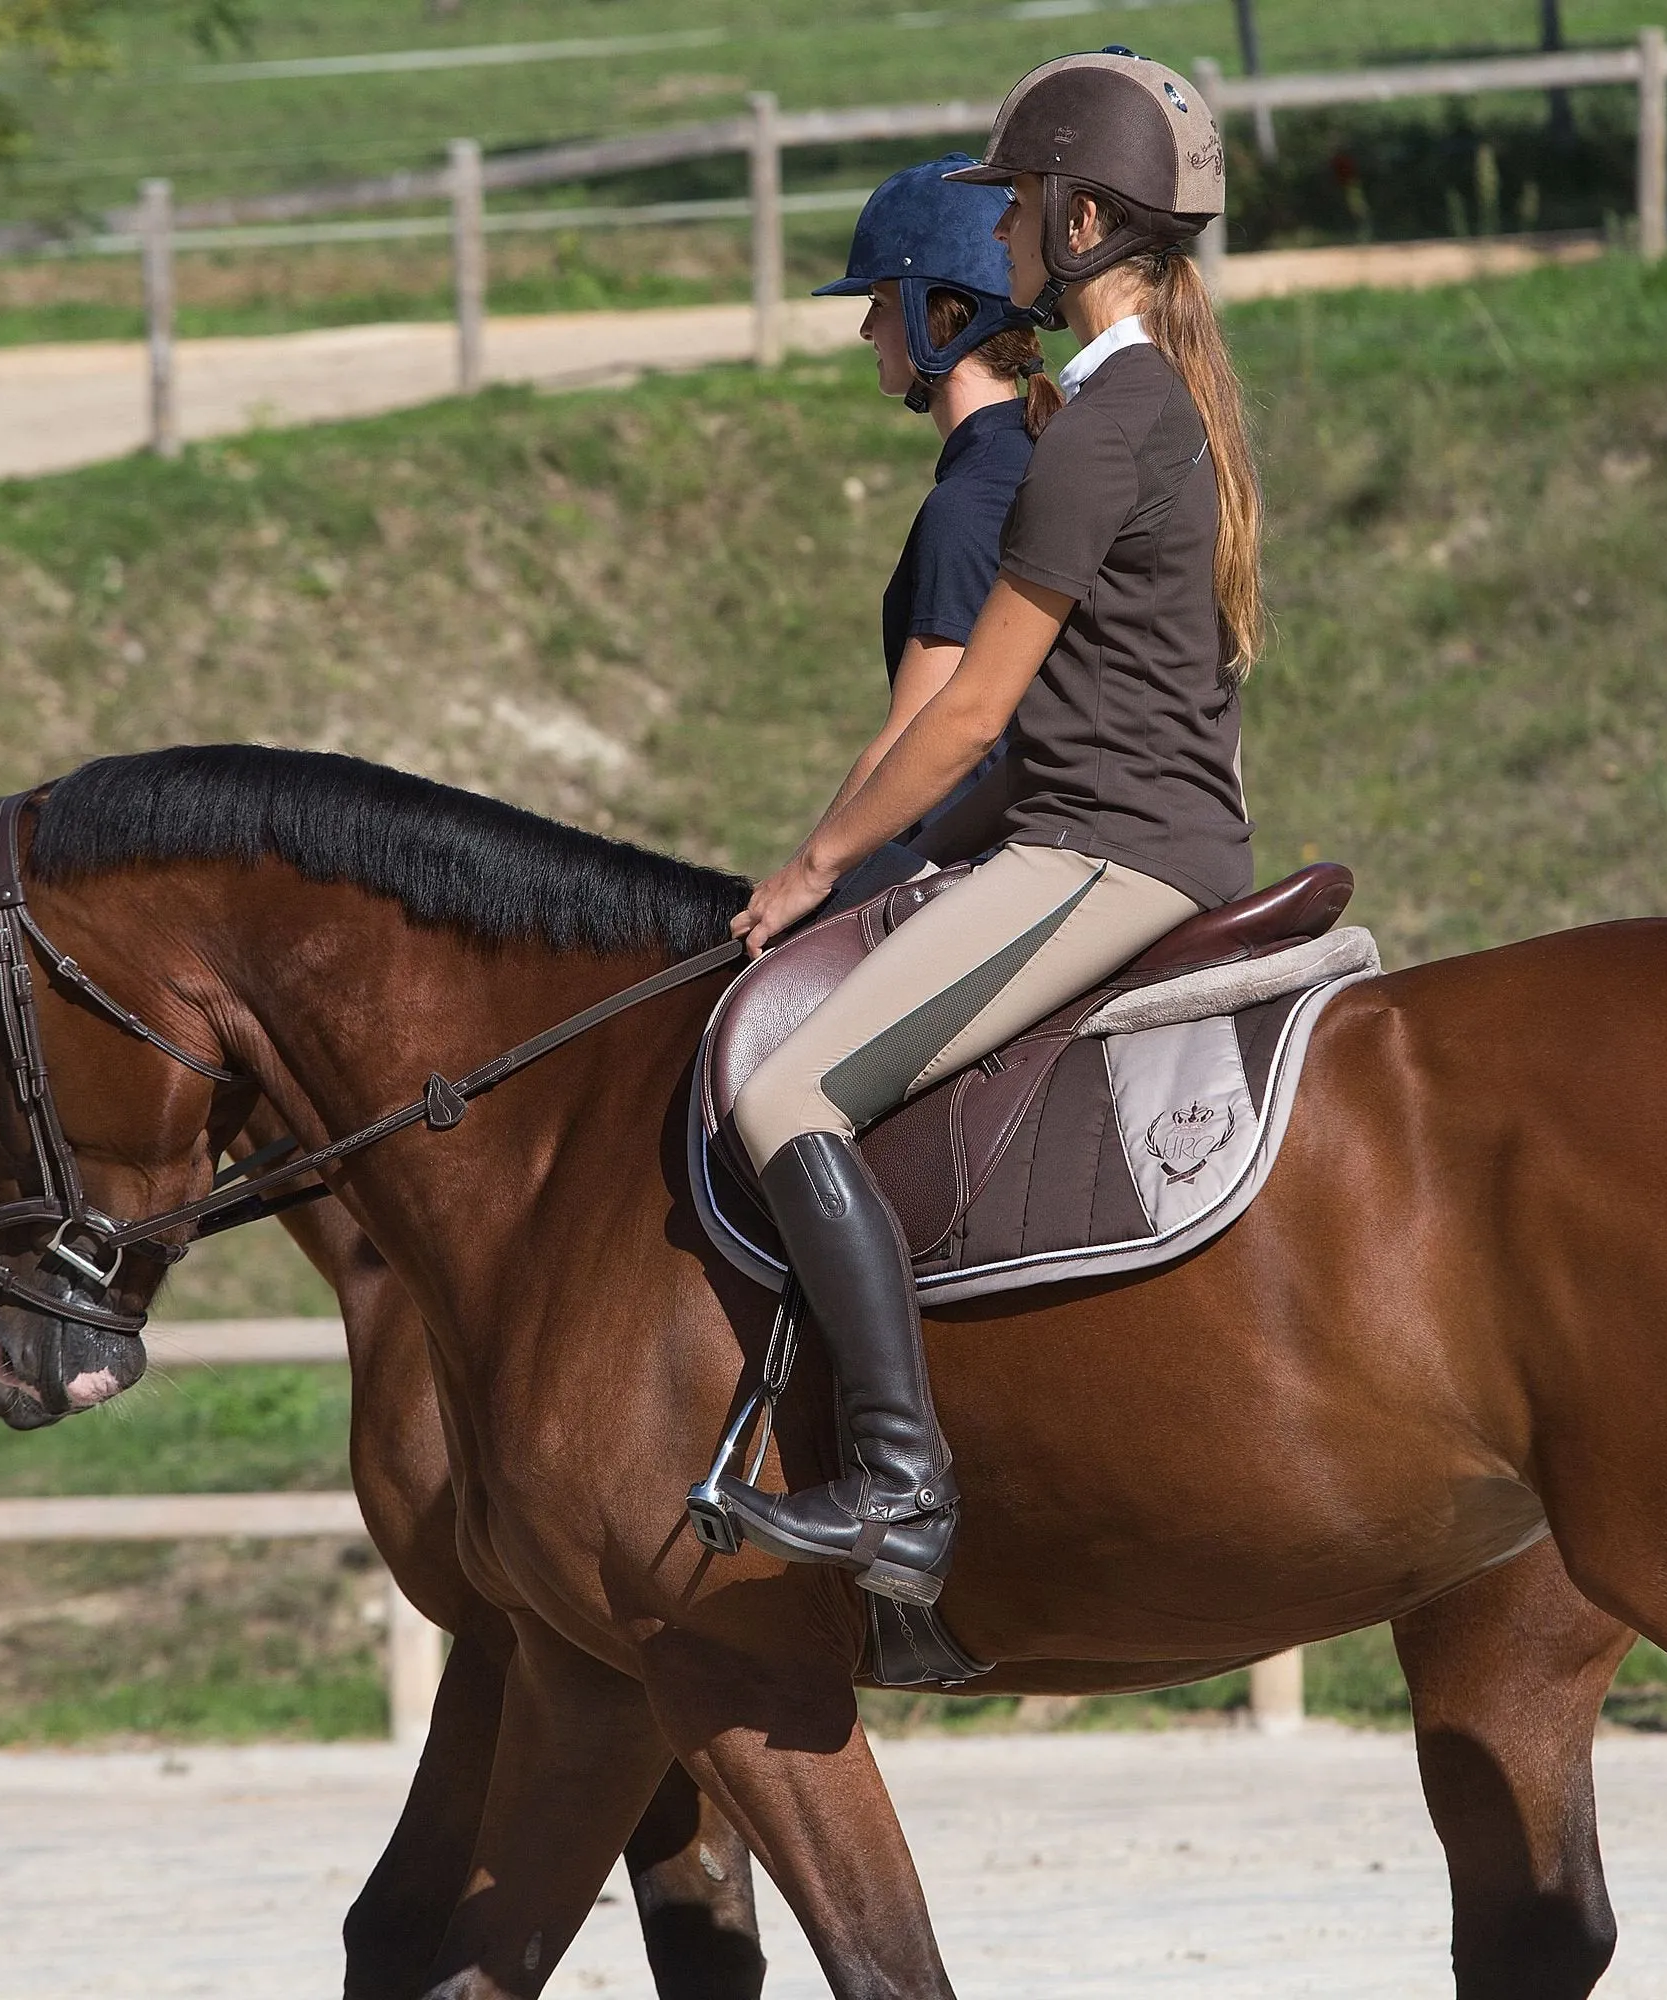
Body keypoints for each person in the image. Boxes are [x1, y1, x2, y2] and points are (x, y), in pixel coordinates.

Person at [719, 49, 1264, 1609]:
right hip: (1109, 826)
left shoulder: (1099, 426)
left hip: (1105, 851)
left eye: (1019, 211)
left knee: (790, 1090)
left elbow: (963, 718)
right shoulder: (1144, 402)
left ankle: (898, 1491)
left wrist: (815, 866)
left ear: (1082, 219)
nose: (1005, 247)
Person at [807, 156, 1059, 906]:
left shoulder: (968, 502)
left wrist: (805, 875)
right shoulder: (1040, 452)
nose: (864, 328)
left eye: (881, 303)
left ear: (934, 314)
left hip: (981, 865)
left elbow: (915, 738)